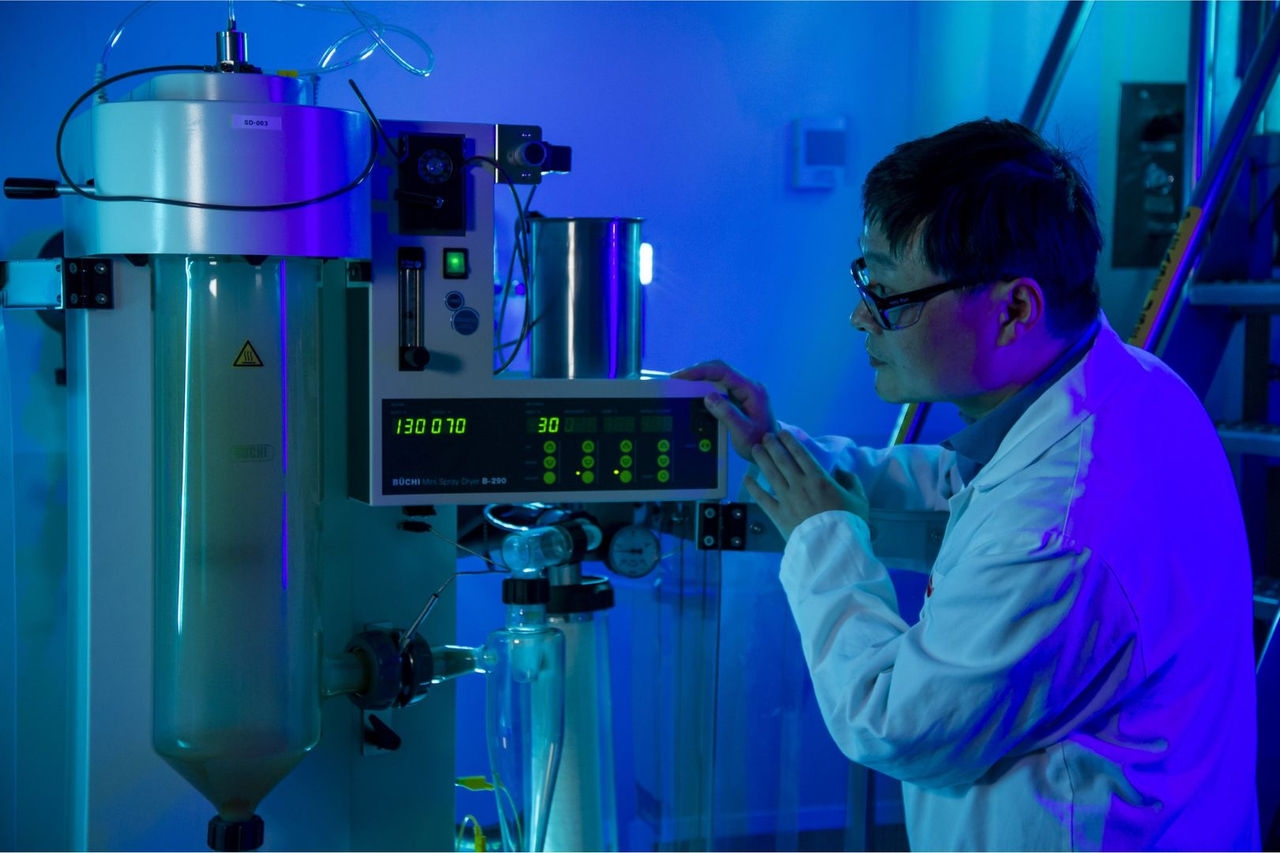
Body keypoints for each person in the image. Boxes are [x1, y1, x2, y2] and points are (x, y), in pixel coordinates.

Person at [674, 118, 1259, 850]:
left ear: (1014, 309)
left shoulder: (1063, 531)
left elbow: (889, 719)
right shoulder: (1129, 387)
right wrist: (777, 449)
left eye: (889, 293)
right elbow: (965, 488)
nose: (862, 316)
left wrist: (825, 539)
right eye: (865, 280)